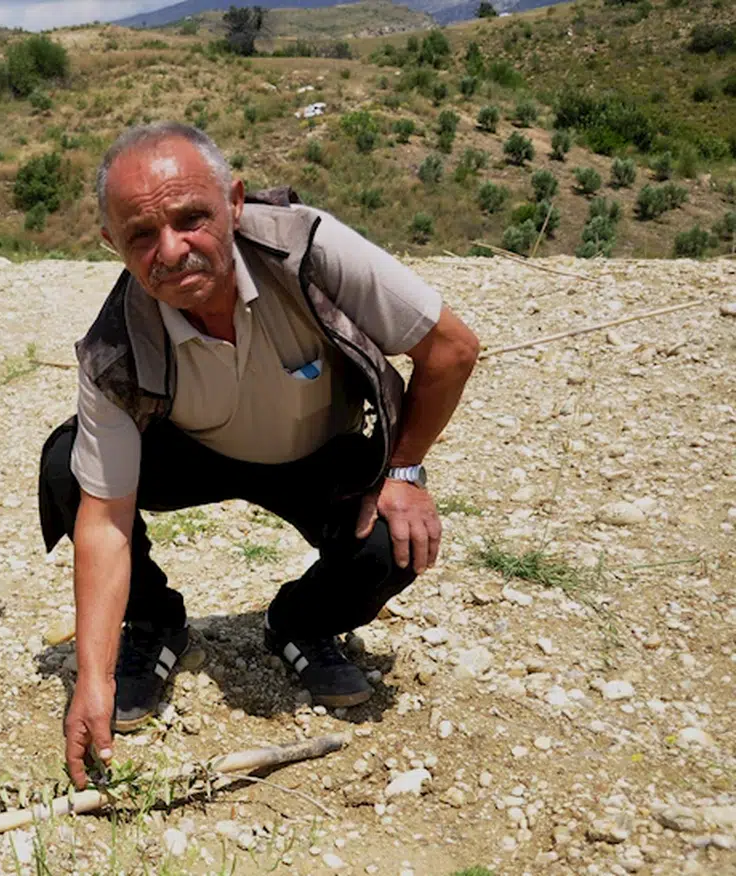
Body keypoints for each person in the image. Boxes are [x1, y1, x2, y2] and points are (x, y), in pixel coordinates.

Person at [37, 122, 480, 790]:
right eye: (141, 234)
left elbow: (451, 348)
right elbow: (104, 521)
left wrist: (404, 470)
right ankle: (154, 624)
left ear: (235, 202)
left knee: (392, 541)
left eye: (192, 218)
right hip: (192, 450)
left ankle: (298, 622)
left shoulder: (308, 250)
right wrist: (92, 680)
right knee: (67, 465)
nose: (171, 250)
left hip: (317, 452)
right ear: (112, 243)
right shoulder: (114, 350)